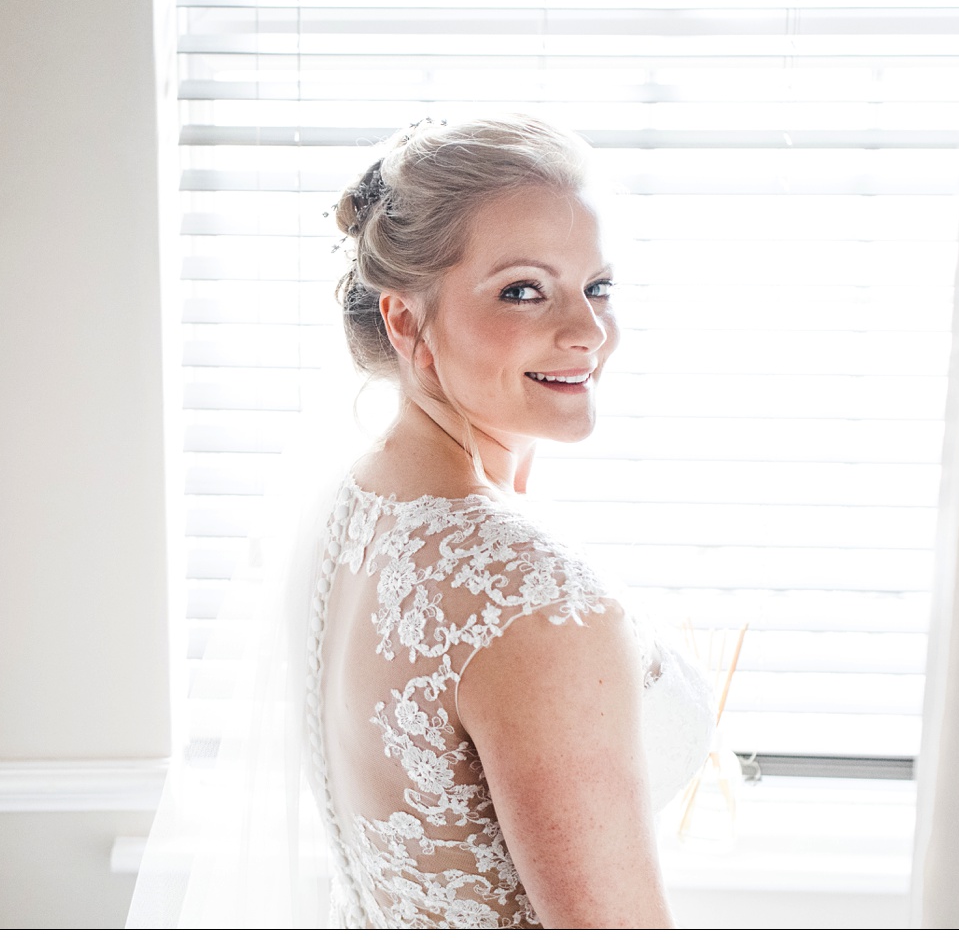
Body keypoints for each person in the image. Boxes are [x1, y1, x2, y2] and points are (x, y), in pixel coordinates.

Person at [306, 115, 715, 928]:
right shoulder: (531, 599)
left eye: (597, 285)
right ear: (404, 320)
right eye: (523, 290)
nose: (588, 332)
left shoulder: (361, 504)